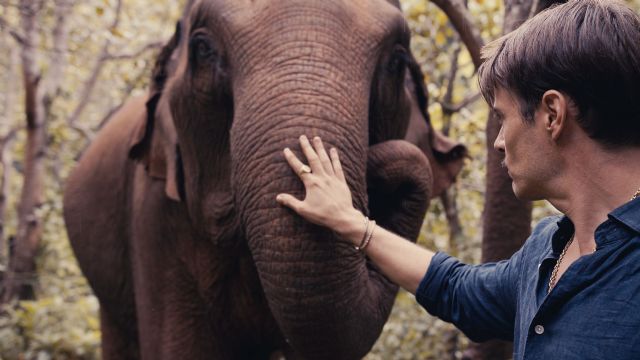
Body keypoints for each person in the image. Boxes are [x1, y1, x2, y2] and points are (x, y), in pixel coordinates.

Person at [274, 0, 640, 358]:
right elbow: (456, 289)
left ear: (551, 115)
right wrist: (350, 222)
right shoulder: (549, 248)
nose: (497, 142)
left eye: (502, 118)